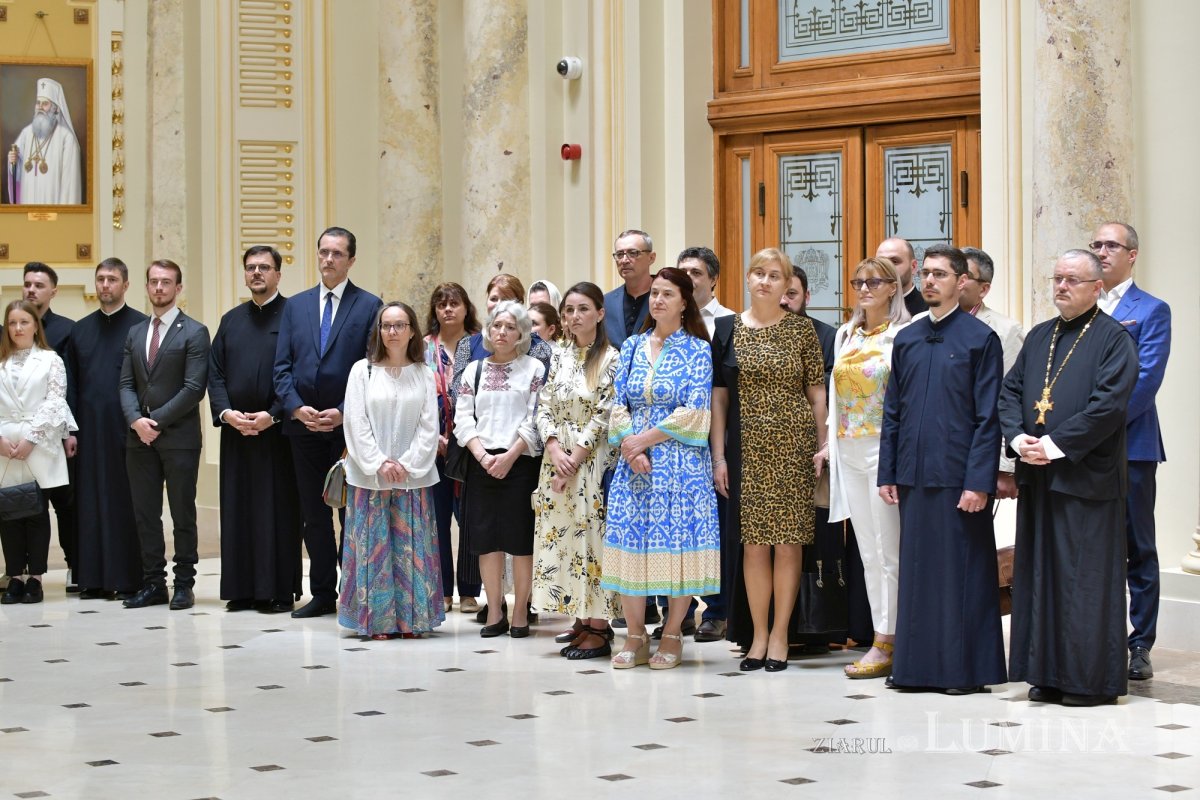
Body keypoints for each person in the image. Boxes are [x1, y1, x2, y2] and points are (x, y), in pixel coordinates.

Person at [999, 249, 1139, 706]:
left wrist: (1054, 446)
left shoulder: (1115, 339)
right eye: (1057, 278)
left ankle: (1087, 681)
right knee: (1040, 578)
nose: (1061, 286)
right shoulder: (1041, 336)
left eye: (1072, 280)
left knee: (1083, 581)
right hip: (1039, 478)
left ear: (1097, 287)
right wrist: (1020, 441)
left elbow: (1108, 406)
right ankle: (1045, 673)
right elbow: (1011, 391)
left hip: (1086, 479)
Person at [878, 243, 1006, 694]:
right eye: (926, 273)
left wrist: (979, 482)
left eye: (940, 275)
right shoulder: (908, 338)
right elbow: (893, 411)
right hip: (912, 476)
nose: (930, 281)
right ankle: (913, 670)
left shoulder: (980, 340)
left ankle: (962, 672)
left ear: (961, 283)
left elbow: (988, 416)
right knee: (916, 572)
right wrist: (887, 472)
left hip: (958, 478)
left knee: (960, 575)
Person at [712, 249, 827, 672]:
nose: (764, 281)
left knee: (788, 544)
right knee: (754, 545)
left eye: (774, 275)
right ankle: (757, 635)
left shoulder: (802, 331)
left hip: (794, 445)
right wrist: (719, 456)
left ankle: (780, 634)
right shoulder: (727, 329)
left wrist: (822, 446)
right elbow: (719, 398)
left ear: (785, 285)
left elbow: (817, 394)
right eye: (758, 273)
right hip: (748, 447)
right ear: (747, 278)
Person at [602, 267, 720, 670]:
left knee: (677, 547)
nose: (658, 301)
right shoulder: (632, 347)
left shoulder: (698, 350)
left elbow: (695, 411)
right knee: (631, 546)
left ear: (684, 301)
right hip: (634, 465)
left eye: (667, 294)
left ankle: (671, 633)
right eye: (654, 293)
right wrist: (630, 447)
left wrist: (644, 440)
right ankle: (634, 635)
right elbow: (617, 404)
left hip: (680, 466)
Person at [274, 227, 382, 618]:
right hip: (301, 427)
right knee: (313, 513)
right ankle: (321, 592)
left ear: (351, 260)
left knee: (350, 512)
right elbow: (281, 367)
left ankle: (351, 588)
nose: (329, 260)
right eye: (323, 252)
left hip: (347, 430)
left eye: (337, 254)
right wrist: (296, 408)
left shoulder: (369, 305)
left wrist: (343, 411)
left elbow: (373, 368)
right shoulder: (296, 306)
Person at [815, 257, 910, 679]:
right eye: (858, 281)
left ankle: (894, 638)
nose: (864, 288)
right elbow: (836, 396)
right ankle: (881, 634)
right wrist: (828, 443)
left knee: (890, 550)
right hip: (848, 450)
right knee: (868, 552)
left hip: (882, 448)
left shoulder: (902, 335)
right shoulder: (845, 335)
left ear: (893, 287)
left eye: (874, 281)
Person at [1091, 221, 1171, 682]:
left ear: (1132, 254)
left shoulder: (1151, 310)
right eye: (1096, 244)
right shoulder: (1082, 307)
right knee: (1094, 545)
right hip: (1082, 449)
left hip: (1131, 444)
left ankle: (1140, 643)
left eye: (1111, 245)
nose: (1102, 251)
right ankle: (1096, 635)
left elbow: (1145, 381)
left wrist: (1095, 427)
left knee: (1138, 546)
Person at [207, 246, 302, 613]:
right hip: (236, 433)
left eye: (265, 267)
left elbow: (297, 372)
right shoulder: (230, 320)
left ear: (279, 274)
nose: (257, 273)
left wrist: (274, 414)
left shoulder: (295, 316)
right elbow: (215, 373)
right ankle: (242, 589)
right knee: (238, 509)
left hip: (277, 434)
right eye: (251, 268)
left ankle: (277, 590)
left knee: (276, 512)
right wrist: (227, 413)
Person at [340, 302, 443, 639]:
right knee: (374, 548)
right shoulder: (362, 371)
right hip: (370, 477)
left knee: (410, 548)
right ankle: (377, 621)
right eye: (387, 326)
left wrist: (407, 464)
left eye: (400, 325)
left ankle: (412, 620)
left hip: (413, 478)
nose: (393, 332)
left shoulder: (424, 373)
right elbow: (355, 422)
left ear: (413, 330)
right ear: (379, 332)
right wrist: (379, 463)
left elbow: (430, 425)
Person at [451, 275, 551, 623]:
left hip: (520, 465)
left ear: (522, 332)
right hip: (482, 465)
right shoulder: (473, 370)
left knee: (520, 543)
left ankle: (520, 611)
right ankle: (494, 611)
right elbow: (463, 420)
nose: (502, 332)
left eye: (511, 326)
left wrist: (509, 456)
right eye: (496, 325)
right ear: (488, 331)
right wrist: (483, 456)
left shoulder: (534, 368)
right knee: (486, 543)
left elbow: (536, 416)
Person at [532, 282, 619, 659]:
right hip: (556, 459)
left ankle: (600, 628)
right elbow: (545, 404)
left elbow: (604, 412)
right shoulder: (560, 354)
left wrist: (575, 456)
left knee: (590, 540)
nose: (573, 316)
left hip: (591, 460)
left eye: (582, 309)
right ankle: (581, 618)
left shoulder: (611, 357)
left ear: (599, 313)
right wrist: (553, 445)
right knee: (563, 542)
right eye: (568, 310)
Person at [119, 260, 210, 611]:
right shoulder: (136, 332)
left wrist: (152, 422)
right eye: (154, 282)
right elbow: (126, 384)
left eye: (166, 282)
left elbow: (192, 389)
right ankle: (153, 583)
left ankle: (183, 584)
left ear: (178, 288)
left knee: (182, 513)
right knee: (145, 513)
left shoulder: (195, 332)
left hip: (179, 438)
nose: (159, 288)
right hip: (137, 439)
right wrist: (134, 421)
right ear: (146, 287)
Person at [65, 259, 148, 600]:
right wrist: (70, 430)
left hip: (128, 431)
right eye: (100, 279)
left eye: (112, 279)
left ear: (125, 285)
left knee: (127, 505)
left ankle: (128, 578)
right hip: (88, 433)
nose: (105, 285)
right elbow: (70, 385)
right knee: (89, 504)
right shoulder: (80, 330)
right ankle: (92, 579)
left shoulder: (140, 327)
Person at [0, 301, 75, 605]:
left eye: (24, 322)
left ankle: (36, 578)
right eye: (12, 323)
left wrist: (32, 437)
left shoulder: (50, 360)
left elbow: (55, 401)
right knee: (8, 511)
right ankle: (15, 575)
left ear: (35, 326)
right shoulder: (1, 361)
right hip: (5, 445)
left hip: (38, 442)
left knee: (35, 509)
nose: (18, 328)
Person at [423, 282, 482, 614]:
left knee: (470, 519)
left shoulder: (478, 344)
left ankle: (470, 591)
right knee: (437, 520)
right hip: (432, 448)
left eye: (454, 303)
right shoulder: (422, 348)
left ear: (465, 308)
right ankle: (443, 590)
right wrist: (434, 437)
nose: (448, 309)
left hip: (471, 445)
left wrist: (463, 437)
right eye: (441, 304)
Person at [22, 262, 77, 591]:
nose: (31, 290)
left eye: (39, 285)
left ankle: (75, 565)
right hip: (19, 439)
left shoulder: (68, 330)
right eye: (27, 284)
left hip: (56, 436)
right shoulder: (9, 330)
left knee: (65, 504)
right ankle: (23, 571)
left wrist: (71, 432)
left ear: (52, 292)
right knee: (24, 504)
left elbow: (70, 389)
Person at [960, 247, 1025, 502]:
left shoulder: (1005, 331)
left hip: (978, 455)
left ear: (983, 289)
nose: (956, 281)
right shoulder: (922, 323)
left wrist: (1005, 467)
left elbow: (1009, 399)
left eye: (964, 276)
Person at [6, 78, 82, 205]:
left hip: (55, 210)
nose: (40, 107)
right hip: (28, 205)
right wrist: (13, 161)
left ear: (55, 109)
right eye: (38, 103)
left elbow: (70, 188)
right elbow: (17, 174)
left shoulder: (66, 139)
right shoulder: (26, 133)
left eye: (45, 104)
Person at [603, 229, 655, 348]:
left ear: (651, 258)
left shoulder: (666, 297)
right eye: (619, 254)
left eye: (633, 253)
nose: (624, 260)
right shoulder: (606, 302)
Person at [875, 237, 926, 317]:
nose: (886, 268)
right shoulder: (870, 310)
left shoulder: (928, 311)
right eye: (881, 263)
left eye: (894, 262)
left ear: (913, 266)